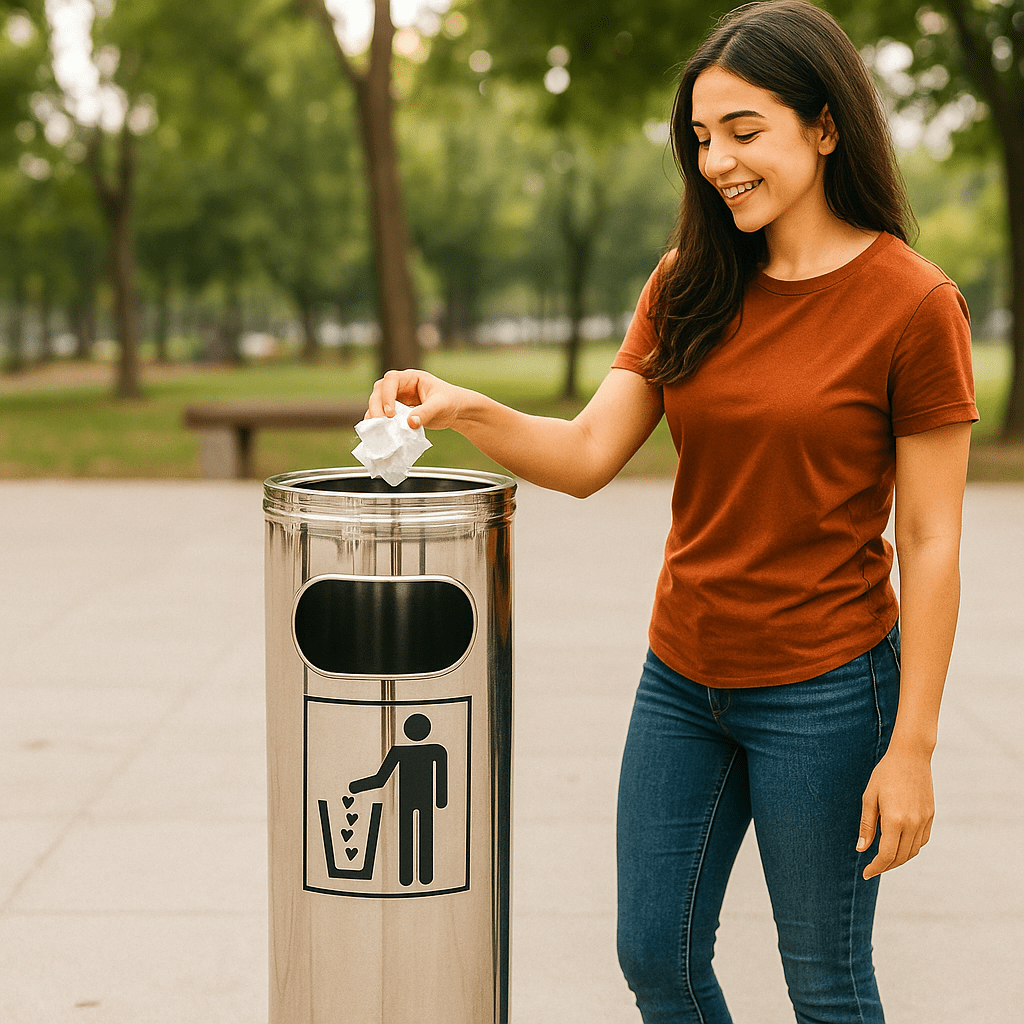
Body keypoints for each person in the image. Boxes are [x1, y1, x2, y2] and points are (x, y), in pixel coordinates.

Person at [363, 1, 978, 1019]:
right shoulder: (687, 283)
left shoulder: (913, 305)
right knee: (655, 954)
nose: (717, 161)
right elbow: (586, 452)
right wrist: (462, 404)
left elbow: (930, 538)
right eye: (700, 138)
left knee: (825, 980)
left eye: (745, 131)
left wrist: (910, 744)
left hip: (827, 690)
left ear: (824, 127)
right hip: (682, 678)